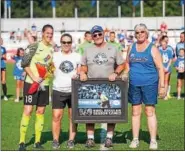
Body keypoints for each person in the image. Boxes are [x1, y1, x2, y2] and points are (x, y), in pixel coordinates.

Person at [80, 25, 125, 148]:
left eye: (99, 34)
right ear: (92, 36)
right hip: (91, 85)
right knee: (90, 112)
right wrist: (83, 72)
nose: (97, 36)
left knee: (111, 112)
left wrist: (115, 73)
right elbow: (83, 65)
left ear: (103, 34)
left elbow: (122, 64)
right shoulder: (88, 50)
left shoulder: (114, 48)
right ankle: (90, 138)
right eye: (95, 35)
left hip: (109, 85)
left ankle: (109, 137)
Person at [124, 24, 165, 150]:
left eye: (142, 32)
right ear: (134, 34)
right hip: (134, 84)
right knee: (135, 112)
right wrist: (126, 73)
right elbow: (127, 63)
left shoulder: (152, 48)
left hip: (150, 84)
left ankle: (153, 140)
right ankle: (135, 139)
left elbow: (160, 68)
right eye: (137, 32)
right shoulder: (131, 47)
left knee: (149, 111)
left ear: (146, 33)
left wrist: (162, 86)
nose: (140, 34)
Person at [18, 24, 54, 150]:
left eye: (51, 33)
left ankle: (37, 142)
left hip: (44, 85)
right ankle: (22, 142)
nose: (49, 35)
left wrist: (50, 72)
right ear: (42, 33)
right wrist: (34, 78)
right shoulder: (34, 46)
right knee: (28, 111)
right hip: (31, 83)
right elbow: (24, 63)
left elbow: (50, 66)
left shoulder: (51, 48)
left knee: (41, 112)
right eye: (47, 33)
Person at [51, 33, 80, 149]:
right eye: (64, 42)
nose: (66, 44)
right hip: (58, 89)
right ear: (61, 43)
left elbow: (81, 69)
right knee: (56, 116)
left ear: (71, 43)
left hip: (73, 89)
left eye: (68, 42)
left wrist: (78, 74)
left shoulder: (77, 56)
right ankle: (55, 140)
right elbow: (49, 69)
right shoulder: (55, 55)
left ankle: (71, 140)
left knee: (72, 116)